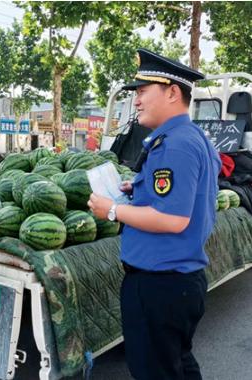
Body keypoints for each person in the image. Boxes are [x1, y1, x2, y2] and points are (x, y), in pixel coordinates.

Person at [88, 49, 221, 380]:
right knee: (177, 365)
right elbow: (183, 197)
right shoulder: (191, 138)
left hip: (160, 286)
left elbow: (174, 219)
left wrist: (113, 210)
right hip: (176, 284)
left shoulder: (174, 144)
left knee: (155, 371)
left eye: (143, 91)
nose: (136, 101)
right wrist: (140, 189)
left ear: (173, 92)